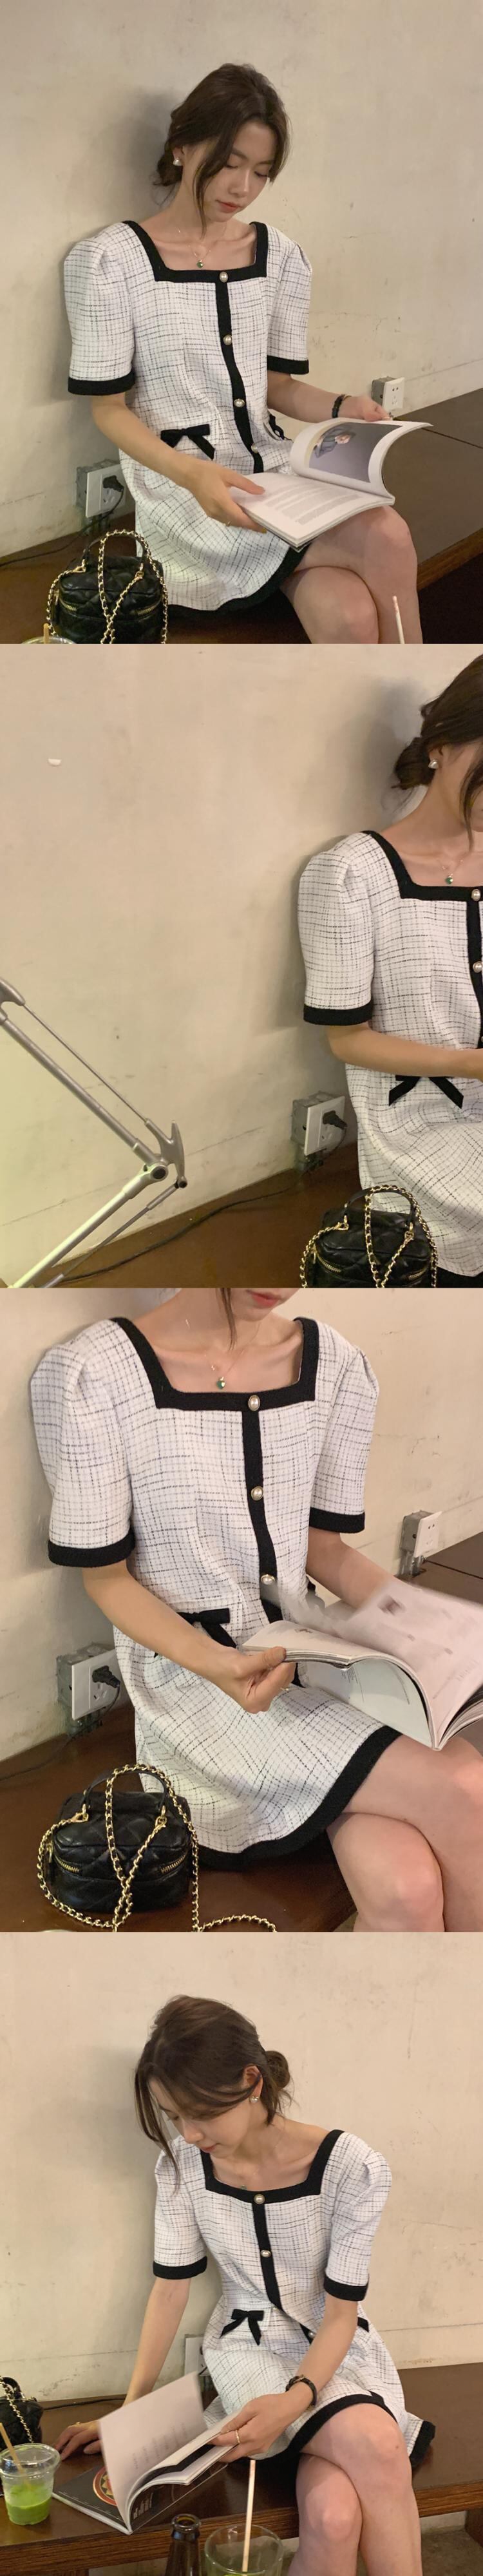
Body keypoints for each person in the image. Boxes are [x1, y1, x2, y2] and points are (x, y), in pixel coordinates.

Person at [30, 1288, 483, 1930]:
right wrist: (215, 1663)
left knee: (403, 1890)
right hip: (197, 1691)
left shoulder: (335, 1365)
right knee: (466, 1785)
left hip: (319, 1664)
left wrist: (431, 1626)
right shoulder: (95, 1375)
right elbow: (106, 1580)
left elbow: (326, 1551)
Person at [55, 1994, 434, 2576]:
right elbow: (170, 2290)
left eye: (200, 2113)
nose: (189, 2132)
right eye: (173, 2116)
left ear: (251, 2080)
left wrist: (295, 2400)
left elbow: (340, 2314)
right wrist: (129, 2415)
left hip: (339, 2350)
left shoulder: (351, 2168)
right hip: (246, 2350)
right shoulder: (182, 2167)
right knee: (379, 2446)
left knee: (334, 2517)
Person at [64, 62, 421, 641]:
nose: (242, 189)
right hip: (186, 492)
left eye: (260, 173)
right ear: (181, 146)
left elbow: (278, 387)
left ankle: (402, 699)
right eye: (229, 164)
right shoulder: (111, 262)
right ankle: (431, 698)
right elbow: (108, 410)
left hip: (274, 475)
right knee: (387, 536)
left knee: (350, 613)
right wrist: (192, 473)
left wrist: (344, 408)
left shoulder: (280, 256)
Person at [298, 654, 483, 1281]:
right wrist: (470, 1064)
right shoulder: (351, 874)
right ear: (441, 748)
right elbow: (347, 1040)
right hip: (421, 1124)